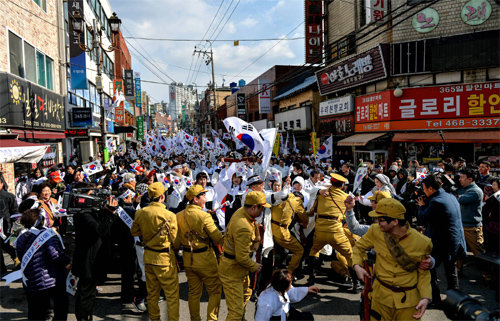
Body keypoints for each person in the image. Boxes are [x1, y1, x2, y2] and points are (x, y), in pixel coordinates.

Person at [353, 198, 433, 321]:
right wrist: (357, 266)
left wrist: (425, 297)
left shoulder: (423, 242)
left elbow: (423, 273)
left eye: (381, 220)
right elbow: (359, 247)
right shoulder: (375, 231)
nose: (376, 222)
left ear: (395, 221)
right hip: (380, 298)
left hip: (408, 303)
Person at [131, 182, 179, 321]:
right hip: (164, 257)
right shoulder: (169, 215)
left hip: (148, 256)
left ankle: (154, 319)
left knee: (152, 294)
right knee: (171, 295)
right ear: (162, 197)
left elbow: (134, 231)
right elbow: (175, 240)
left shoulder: (140, 213)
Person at [174, 185, 224, 321]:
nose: (205, 197)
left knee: (194, 292)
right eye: (203, 195)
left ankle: (195, 319)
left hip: (187, 258)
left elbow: (176, 242)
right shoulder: (204, 216)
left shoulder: (178, 216)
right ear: (196, 199)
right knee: (214, 291)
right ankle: (211, 319)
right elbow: (218, 238)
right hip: (205, 258)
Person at [218, 191, 269, 320]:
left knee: (246, 293)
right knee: (235, 312)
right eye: (262, 208)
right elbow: (241, 258)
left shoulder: (243, 211)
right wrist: (255, 266)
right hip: (233, 271)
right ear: (253, 207)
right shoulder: (243, 227)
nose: (262, 211)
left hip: (238, 268)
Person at [416, 174, 466, 305]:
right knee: (451, 271)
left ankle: (435, 299)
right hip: (454, 239)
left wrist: (421, 206)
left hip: (441, 242)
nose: (424, 191)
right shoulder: (450, 196)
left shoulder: (436, 202)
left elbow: (423, 218)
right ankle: (455, 300)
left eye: (425, 188)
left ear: (431, 188)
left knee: (429, 269)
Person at [16, 208, 71, 321]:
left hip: (31, 280)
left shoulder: (22, 236)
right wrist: (67, 260)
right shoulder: (48, 234)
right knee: (60, 308)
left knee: (35, 312)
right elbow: (55, 255)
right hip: (51, 279)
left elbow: (21, 257)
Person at [72, 196, 118, 320]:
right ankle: (83, 318)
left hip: (93, 261)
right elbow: (100, 230)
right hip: (87, 262)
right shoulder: (84, 216)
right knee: (85, 293)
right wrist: (109, 213)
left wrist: (108, 211)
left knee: (90, 293)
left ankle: (87, 316)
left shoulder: (90, 214)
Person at [306, 173, 355, 288]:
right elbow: (347, 215)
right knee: (349, 254)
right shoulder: (345, 197)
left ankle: (311, 279)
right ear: (342, 186)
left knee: (314, 251)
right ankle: (356, 283)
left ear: (331, 183)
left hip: (320, 230)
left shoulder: (322, 194)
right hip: (336, 231)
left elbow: (312, 211)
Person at [255, 269, 319, 321]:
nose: (291, 286)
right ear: (285, 285)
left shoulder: (278, 286)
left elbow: (292, 292)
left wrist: (307, 289)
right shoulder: (266, 301)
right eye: (290, 283)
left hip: (286, 312)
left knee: (308, 317)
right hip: (276, 318)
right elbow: (261, 318)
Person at [270, 188, 308, 276]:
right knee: (299, 250)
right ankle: (289, 273)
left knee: (271, 251)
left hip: (270, 228)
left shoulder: (283, 196)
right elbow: (304, 217)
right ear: (300, 199)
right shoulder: (296, 202)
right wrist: (304, 225)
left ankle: (269, 272)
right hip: (282, 231)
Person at [457, 168, 485, 258]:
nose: (459, 179)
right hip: (461, 225)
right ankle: (458, 269)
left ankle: (486, 271)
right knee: (459, 250)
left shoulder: (475, 191)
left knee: (479, 252)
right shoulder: (463, 189)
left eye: (462, 177)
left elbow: (459, 199)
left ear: (470, 179)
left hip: (472, 228)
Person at [0, 172, 19, 275]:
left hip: (7, 226)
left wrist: (14, 226)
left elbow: (15, 212)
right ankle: (2, 268)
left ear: (2, 183)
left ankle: (16, 257)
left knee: (7, 244)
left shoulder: (9, 196)